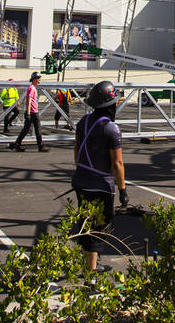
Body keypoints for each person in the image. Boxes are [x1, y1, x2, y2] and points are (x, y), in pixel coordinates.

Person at [71, 80, 127, 272]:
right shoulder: (111, 129)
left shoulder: (82, 122)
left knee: (87, 222)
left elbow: (77, 153)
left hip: (81, 180)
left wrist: (84, 171)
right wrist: (123, 190)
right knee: (98, 228)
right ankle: (91, 272)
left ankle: (89, 263)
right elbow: (117, 163)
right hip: (101, 185)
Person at [9, 72, 49, 152]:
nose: (39, 79)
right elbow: (29, 100)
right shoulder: (32, 88)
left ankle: (17, 144)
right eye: (38, 78)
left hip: (32, 112)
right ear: (34, 79)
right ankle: (40, 146)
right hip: (33, 112)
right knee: (38, 129)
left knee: (26, 129)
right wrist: (28, 113)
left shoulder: (33, 87)